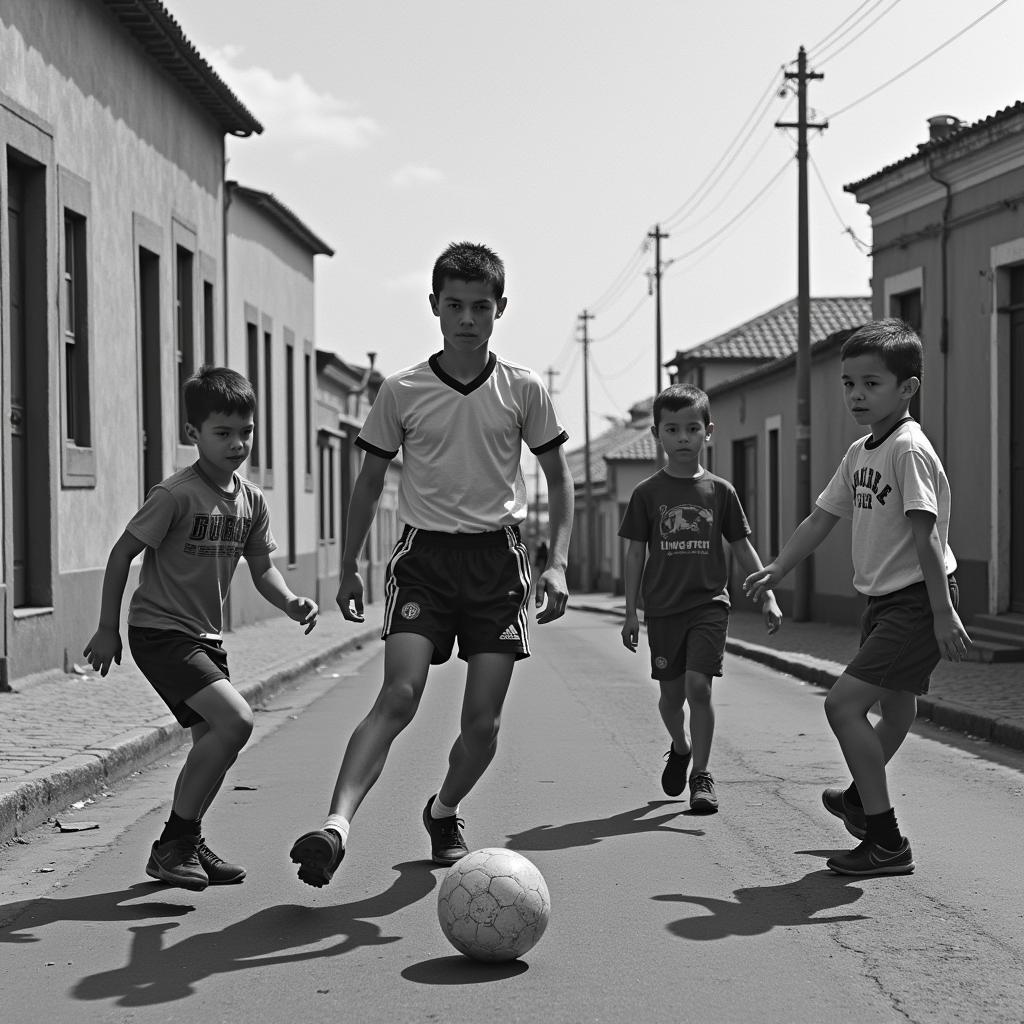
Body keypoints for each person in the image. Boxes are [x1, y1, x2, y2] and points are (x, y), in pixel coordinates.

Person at [289, 241, 573, 887]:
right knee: (400, 694)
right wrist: (354, 566)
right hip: (425, 558)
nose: (466, 318)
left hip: (497, 562)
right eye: (454, 305)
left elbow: (560, 480)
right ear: (434, 308)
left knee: (484, 723)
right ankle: (335, 827)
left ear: (500, 309)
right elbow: (365, 485)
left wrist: (557, 565)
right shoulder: (403, 390)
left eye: (480, 306)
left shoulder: (522, 388)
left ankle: (444, 811)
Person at [745, 319, 970, 876]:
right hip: (886, 600)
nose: (856, 395)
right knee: (897, 707)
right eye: (849, 384)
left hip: (918, 599)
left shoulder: (908, 449)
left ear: (907, 388)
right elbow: (821, 519)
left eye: (871, 383)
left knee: (842, 705)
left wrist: (943, 612)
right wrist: (778, 567)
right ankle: (857, 801)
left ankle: (885, 837)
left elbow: (928, 535)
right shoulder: (860, 452)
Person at [83, 367, 319, 891]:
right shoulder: (176, 494)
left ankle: (183, 844)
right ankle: (176, 841)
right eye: (223, 433)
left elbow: (263, 570)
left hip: (206, 638)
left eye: (246, 432)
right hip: (159, 632)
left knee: (212, 743)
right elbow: (123, 553)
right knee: (236, 722)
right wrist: (106, 627)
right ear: (194, 434)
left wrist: (290, 602)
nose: (237, 444)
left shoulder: (252, 501)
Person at [618, 383, 782, 814]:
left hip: (710, 604)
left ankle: (702, 776)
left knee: (698, 688)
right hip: (662, 609)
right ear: (657, 434)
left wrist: (766, 596)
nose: (684, 437)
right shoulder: (647, 494)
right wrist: (630, 612)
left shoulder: (720, 492)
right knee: (671, 698)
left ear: (708, 432)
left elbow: (742, 546)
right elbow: (636, 553)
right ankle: (680, 745)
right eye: (673, 429)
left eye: (693, 428)